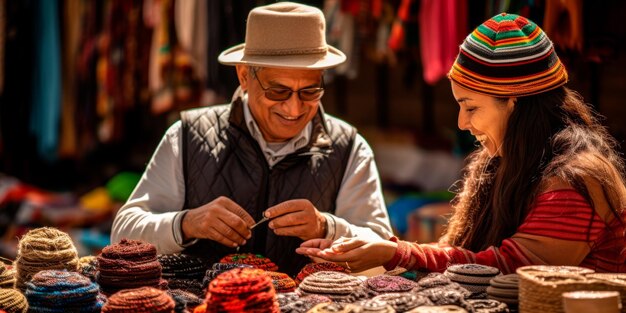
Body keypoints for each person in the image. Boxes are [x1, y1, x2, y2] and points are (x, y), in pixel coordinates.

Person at [297, 13, 626, 274]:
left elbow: (515, 267)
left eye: (471, 107)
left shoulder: (576, 180)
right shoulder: (500, 161)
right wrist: (386, 252)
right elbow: (465, 254)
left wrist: (399, 254)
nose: (461, 123)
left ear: (515, 102)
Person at [111, 2, 393, 276]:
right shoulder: (186, 136)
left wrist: (327, 227)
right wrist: (186, 223)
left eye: (310, 91)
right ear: (245, 76)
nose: (294, 108)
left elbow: (383, 253)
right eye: (278, 91)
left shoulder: (349, 147)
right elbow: (122, 233)